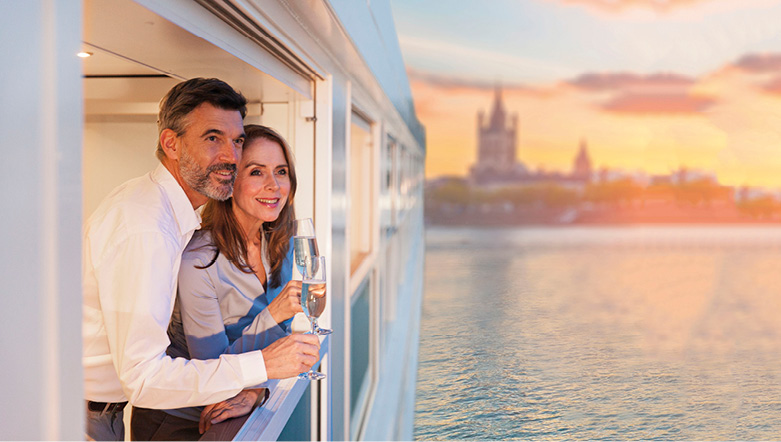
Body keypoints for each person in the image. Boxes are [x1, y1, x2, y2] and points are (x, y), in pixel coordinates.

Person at [82, 78, 320, 441]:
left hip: (107, 411)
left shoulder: (172, 215)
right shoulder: (149, 230)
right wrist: (264, 365)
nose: (230, 155)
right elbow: (145, 378)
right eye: (213, 138)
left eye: (237, 140)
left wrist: (257, 385)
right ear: (171, 143)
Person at [131, 125, 309, 439]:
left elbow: (285, 344)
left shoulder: (281, 242)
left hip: (240, 403)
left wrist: (257, 389)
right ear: (230, 181)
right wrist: (273, 315)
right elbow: (211, 366)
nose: (273, 185)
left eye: (281, 171)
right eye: (256, 172)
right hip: (180, 420)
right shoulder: (198, 259)